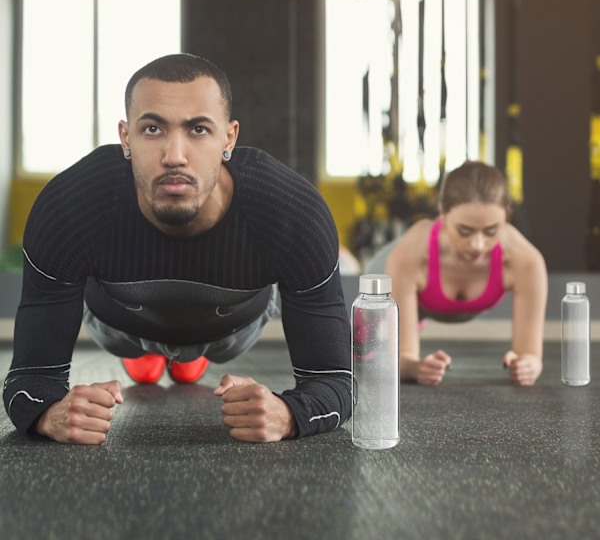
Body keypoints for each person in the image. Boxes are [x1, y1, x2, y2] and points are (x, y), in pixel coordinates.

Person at [3, 53, 352, 444]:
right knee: (141, 355)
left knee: (197, 358)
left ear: (229, 138)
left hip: (231, 329)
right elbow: (28, 382)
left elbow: (335, 381)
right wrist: (50, 414)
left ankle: (187, 358)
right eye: (152, 129)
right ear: (125, 137)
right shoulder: (69, 206)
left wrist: (289, 414)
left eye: (198, 130)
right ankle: (152, 355)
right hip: (121, 325)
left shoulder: (293, 211)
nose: (174, 156)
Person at [383, 161, 547, 386]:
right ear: (442, 212)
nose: (478, 245)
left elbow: (531, 355)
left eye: (491, 231)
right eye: (465, 231)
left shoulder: (526, 261)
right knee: (362, 361)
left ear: (506, 216)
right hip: (392, 278)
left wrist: (527, 365)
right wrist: (416, 367)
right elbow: (399, 360)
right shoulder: (409, 256)